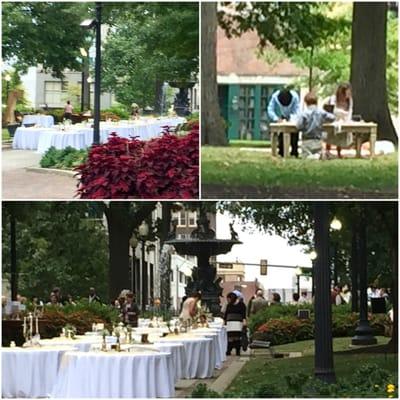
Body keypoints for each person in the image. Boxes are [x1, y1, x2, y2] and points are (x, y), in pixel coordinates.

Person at [296, 92, 335, 159]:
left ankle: (314, 156)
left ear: (306, 102)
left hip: (306, 140)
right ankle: (319, 155)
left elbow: (299, 126)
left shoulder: (303, 114)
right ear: (316, 102)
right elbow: (332, 118)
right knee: (317, 153)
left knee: (306, 157)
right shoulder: (321, 112)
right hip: (318, 140)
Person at [267, 88, 300, 157]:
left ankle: (294, 152)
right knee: (281, 134)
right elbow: (270, 109)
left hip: (293, 115)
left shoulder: (295, 97)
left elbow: (297, 110)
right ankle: (281, 151)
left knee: (295, 134)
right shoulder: (275, 96)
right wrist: (276, 118)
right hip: (282, 117)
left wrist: (292, 119)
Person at [323, 83, 353, 158]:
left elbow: (350, 111)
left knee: (341, 136)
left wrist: (347, 120)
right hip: (333, 120)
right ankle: (327, 151)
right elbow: (333, 110)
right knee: (330, 134)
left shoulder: (350, 100)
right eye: (347, 92)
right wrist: (341, 113)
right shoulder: (333, 98)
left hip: (344, 121)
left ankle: (339, 152)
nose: (348, 94)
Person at [224, 292, 247, 356]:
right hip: (230, 323)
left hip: (237, 322)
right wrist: (224, 321)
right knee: (230, 337)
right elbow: (226, 314)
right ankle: (229, 350)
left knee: (237, 337)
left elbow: (243, 314)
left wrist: (244, 321)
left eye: (228, 299)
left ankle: (237, 351)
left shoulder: (241, 304)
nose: (227, 300)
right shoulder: (229, 305)